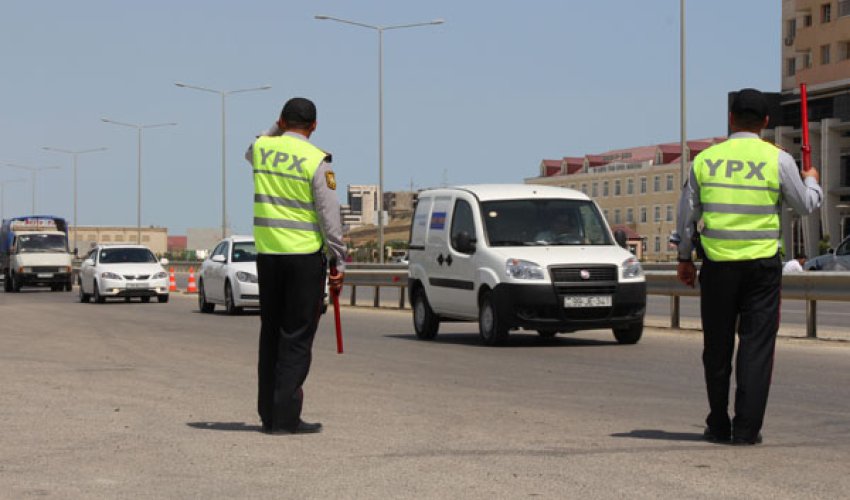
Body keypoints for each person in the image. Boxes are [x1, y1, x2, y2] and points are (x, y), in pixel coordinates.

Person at [676, 88, 822, 445]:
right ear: (766, 122)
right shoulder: (779, 160)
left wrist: (684, 258)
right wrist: (813, 179)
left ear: (730, 119)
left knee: (717, 346)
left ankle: (718, 423)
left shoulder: (705, 160)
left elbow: (686, 214)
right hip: (761, 269)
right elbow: (805, 206)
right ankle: (745, 430)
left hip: (718, 267)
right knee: (756, 348)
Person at [245, 97, 346, 435]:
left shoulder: (262, 149)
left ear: (283, 122)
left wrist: (275, 127)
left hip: (269, 256)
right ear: (314, 126)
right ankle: (286, 419)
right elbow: (329, 216)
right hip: (304, 260)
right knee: (297, 338)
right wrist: (338, 259)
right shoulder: (317, 160)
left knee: (271, 333)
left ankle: (269, 415)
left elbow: (253, 147)